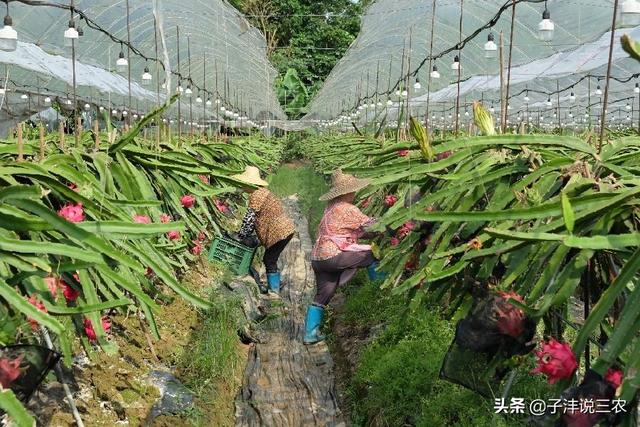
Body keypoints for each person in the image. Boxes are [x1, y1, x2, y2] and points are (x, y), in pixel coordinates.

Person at [304, 170, 377, 345]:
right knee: (370, 255)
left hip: (318, 259)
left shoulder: (330, 208)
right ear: (347, 192)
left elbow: (350, 232)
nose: (355, 193)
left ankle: (310, 335)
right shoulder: (348, 209)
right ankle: (381, 291)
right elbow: (374, 226)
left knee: (323, 295)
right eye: (353, 190)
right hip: (333, 256)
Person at [232, 166, 295, 295]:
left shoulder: (256, 195)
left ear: (249, 183)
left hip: (278, 232)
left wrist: (241, 235)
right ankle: (276, 284)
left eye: (243, 184)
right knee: (271, 258)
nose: (242, 187)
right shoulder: (262, 192)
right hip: (285, 230)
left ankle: (274, 291)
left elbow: (250, 218)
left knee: (269, 259)